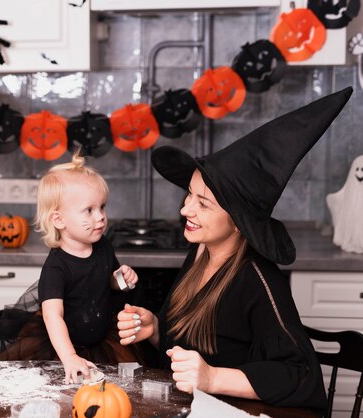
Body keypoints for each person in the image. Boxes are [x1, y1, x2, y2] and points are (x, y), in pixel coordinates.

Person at [117, 87, 353, 411]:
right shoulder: (200, 252)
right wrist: (156, 330)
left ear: (239, 223)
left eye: (203, 204)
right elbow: (191, 351)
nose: (185, 210)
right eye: (189, 195)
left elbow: (302, 376)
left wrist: (212, 378)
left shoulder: (256, 281)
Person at [0, 152, 142, 383]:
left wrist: (120, 278)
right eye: (89, 210)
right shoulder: (56, 267)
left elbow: (107, 281)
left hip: (103, 340)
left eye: (102, 207)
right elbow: (53, 316)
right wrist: (69, 356)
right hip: (61, 349)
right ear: (59, 220)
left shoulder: (103, 246)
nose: (101, 217)